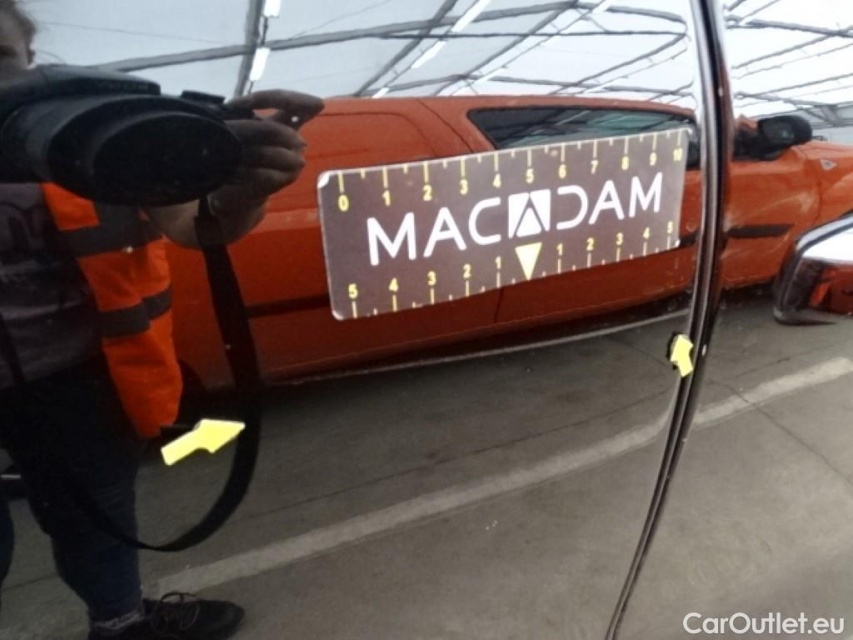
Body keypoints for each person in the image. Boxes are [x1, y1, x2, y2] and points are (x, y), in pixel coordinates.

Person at [0, 2, 324, 638]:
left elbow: (193, 226)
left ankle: (121, 625)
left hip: (79, 379)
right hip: (71, 382)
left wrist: (240, 186)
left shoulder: (89, 136)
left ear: (31, 64)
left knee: (95, 518)